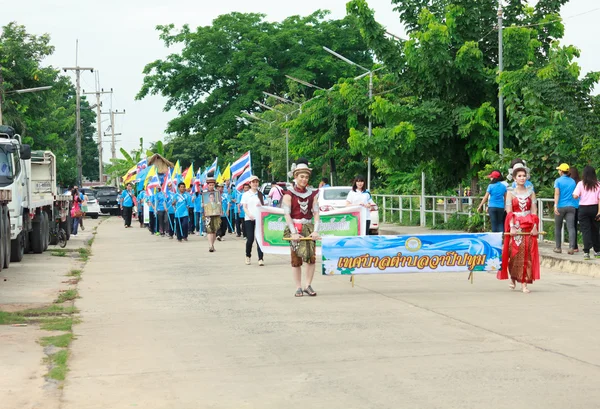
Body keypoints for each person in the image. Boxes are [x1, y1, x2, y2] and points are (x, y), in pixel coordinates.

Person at [498, 162, 540, 293]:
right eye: (519, 176)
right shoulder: (510, 193)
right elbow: (509, 211)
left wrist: (534, 226)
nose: (522, 178)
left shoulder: (531, 193)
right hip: (515, 225)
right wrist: (511, 227)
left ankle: (524, 283)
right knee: (514, 253)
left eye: (524, 175)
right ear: (514, 178)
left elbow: (534, 211)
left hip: (528, 225)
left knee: (527, 254)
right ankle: (514, 278)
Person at [282, 159, 320, 297]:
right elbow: (287, 214)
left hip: (309, 227)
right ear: (296, 177)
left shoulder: (313, 194)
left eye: (306, 177)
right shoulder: (288, 194)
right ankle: (298, 287)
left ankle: (308, 285)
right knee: (296, 259)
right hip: (295, 228)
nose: (304, 179)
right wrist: (293, 232)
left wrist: (316, 230)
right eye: (301, 177)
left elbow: (316, 213)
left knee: (311, 258)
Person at [572, 165, 600, 260]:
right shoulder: (598, 184)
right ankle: (597, 251)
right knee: (595, 230)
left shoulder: (580, 184)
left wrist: (576, 195)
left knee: (585, 230)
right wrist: (599, 212)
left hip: (583, 209)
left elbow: (575, 196)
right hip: (595, 208)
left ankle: (586, 252)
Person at [553, 163, 578, 254]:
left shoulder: (558, 181)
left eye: (559, 170)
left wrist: (555, 205)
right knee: (571, 227)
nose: (558, 171)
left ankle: (558, 248)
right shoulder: (572, 181)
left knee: (558, 227)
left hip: (560, 206)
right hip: (571, 206)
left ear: (561, 171)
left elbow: (557, 193)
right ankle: (571, 248)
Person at [241, 175, 265, 266]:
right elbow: (244, 207)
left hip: (259, 219)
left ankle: (261, 258)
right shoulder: (246, 194)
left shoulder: (260, 194)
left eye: (256, 182)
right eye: (253, 182)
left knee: (259, 238)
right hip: (249, 219)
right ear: (250, 183)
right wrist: (249, 214)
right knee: (250, 238)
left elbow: (265, 206)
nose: (255, 184)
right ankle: (248, 255)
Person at [203, 177, 221, 252]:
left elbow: (220, 202)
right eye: (210, 185)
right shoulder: (204, 193)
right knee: (209, 230)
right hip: (208, 214)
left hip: (216, 214)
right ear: (207, 185)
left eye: (212, 185)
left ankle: (212, 244)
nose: (211, 186)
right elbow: (203, 203)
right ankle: (210, 245)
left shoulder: (217, 193)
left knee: (214, 231)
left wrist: (220, 209)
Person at [570, 166, 581, 252]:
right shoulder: (580, 182)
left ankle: (574, 246)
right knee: (585, 227)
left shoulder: (570, 182)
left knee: (573, 227)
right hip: (581, 206)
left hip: (572, 207)